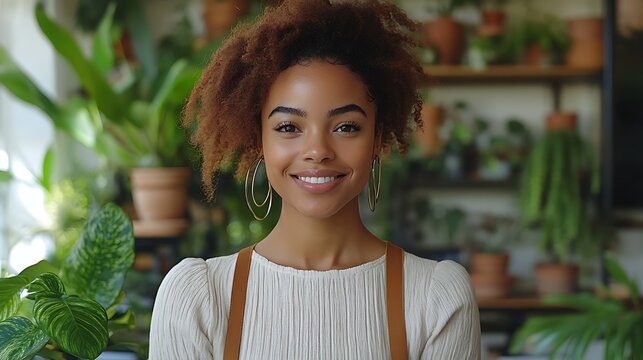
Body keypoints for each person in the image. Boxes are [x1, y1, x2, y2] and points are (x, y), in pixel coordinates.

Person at [149, 0, 481, 359]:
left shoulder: (436, 298)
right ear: (259, 139)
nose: (317, 150)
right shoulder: (200, 298)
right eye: (289, 127)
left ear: (378, 138)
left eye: (346, 127)